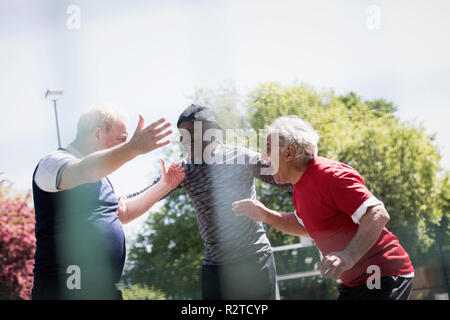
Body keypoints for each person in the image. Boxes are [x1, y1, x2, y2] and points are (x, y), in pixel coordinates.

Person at [119, 104, 293, 300]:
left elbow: (291, 181)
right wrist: (112, 202)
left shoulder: (241, 158)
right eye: (183, 136)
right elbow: (143, 195)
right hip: (215, 266)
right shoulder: (183, 171)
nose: (187, 142)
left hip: (254, 259)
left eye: (193, 134)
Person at [232, 115, 415, 300]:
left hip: (383, 274)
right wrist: (265, 215)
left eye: (269, 150)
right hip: (353, 283)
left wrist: (348, 256)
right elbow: (304, 226)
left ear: (288, 153)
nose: (264, 158)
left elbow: (377, 213)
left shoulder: (330, 175)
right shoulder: (299, 188)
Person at [31, 103, 184, 300]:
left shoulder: (102, 177)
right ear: (97, 134)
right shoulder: (53, 163)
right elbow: (85, 170)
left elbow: (124, 212)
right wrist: (134, 148)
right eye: (121, 139)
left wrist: (165, 185)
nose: (124, 144)